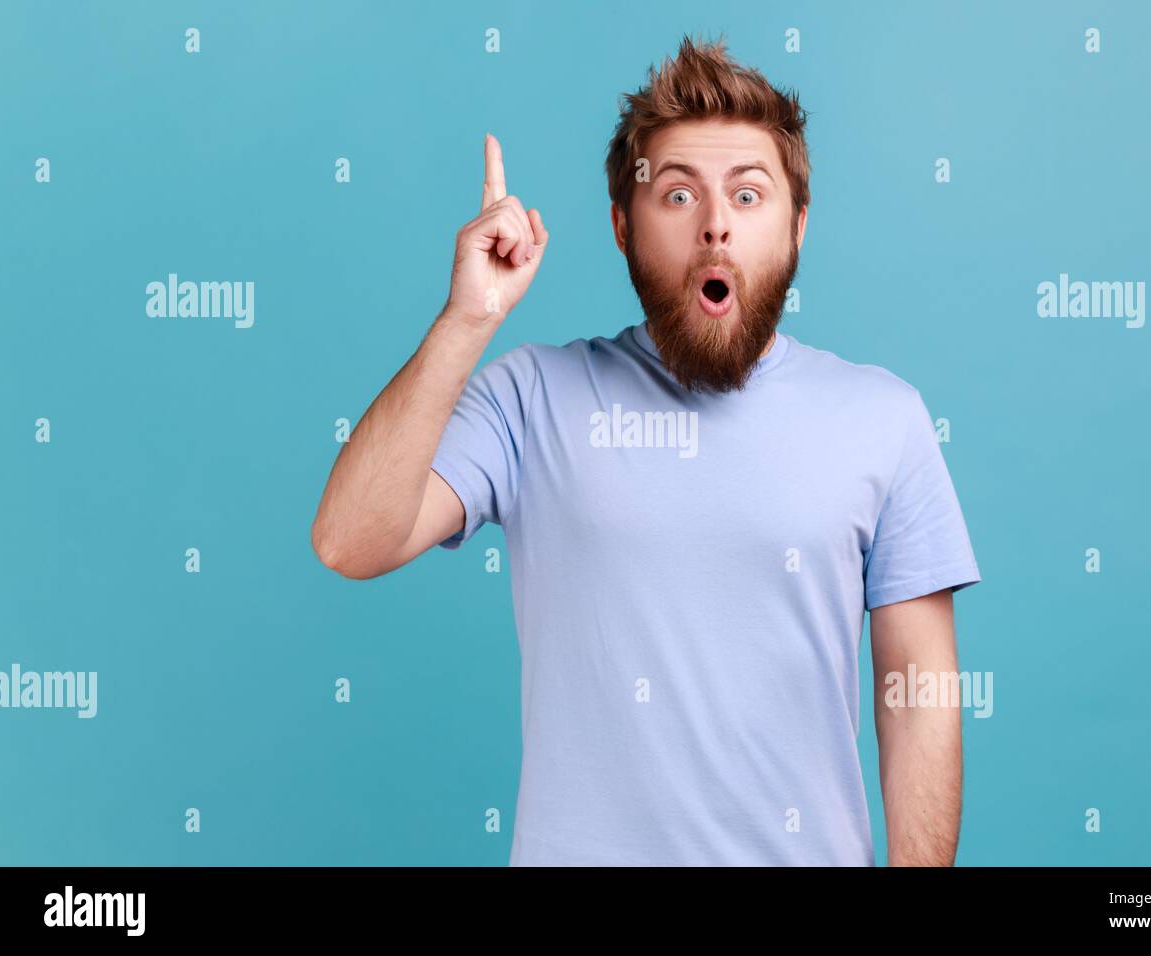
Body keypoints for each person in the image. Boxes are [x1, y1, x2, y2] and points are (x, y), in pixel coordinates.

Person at [311, 35, 982, 866]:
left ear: (798, 226)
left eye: (748, 194)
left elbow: (918, 699)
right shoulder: (533, 399)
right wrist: (467, 321)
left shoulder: (885, 419)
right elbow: (350, 539)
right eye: (676, 196)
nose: (715, 229)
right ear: (623, 227)